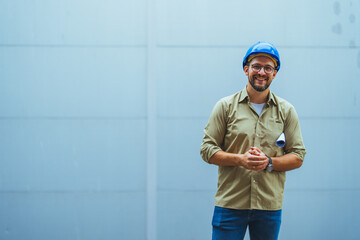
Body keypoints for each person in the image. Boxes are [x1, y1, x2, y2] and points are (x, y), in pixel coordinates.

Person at [200, 41, 306, 240]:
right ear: (246, 69)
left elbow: (298, 156)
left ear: (274, 73)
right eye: (256, 66)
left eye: (268, 68)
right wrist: (240, 160)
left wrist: (269, 162)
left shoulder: (286, 111)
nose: (262, 72)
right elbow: (207, 149)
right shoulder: (225, 107)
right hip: (230, 204)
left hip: (269, 206)